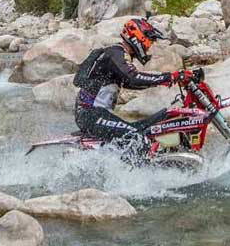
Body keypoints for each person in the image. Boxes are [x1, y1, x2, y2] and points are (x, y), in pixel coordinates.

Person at [72, 17, 204, 153]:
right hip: (91, 115)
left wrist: (166, 80)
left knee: (146, 131)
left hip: (97, 114)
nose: (148, 47)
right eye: (148, 41)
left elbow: (131, 82)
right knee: (135, 136)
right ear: (138, 37)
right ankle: (139, 171)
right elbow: (133, 77)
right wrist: (171, 76)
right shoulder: (115, 53)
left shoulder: (118, 54)